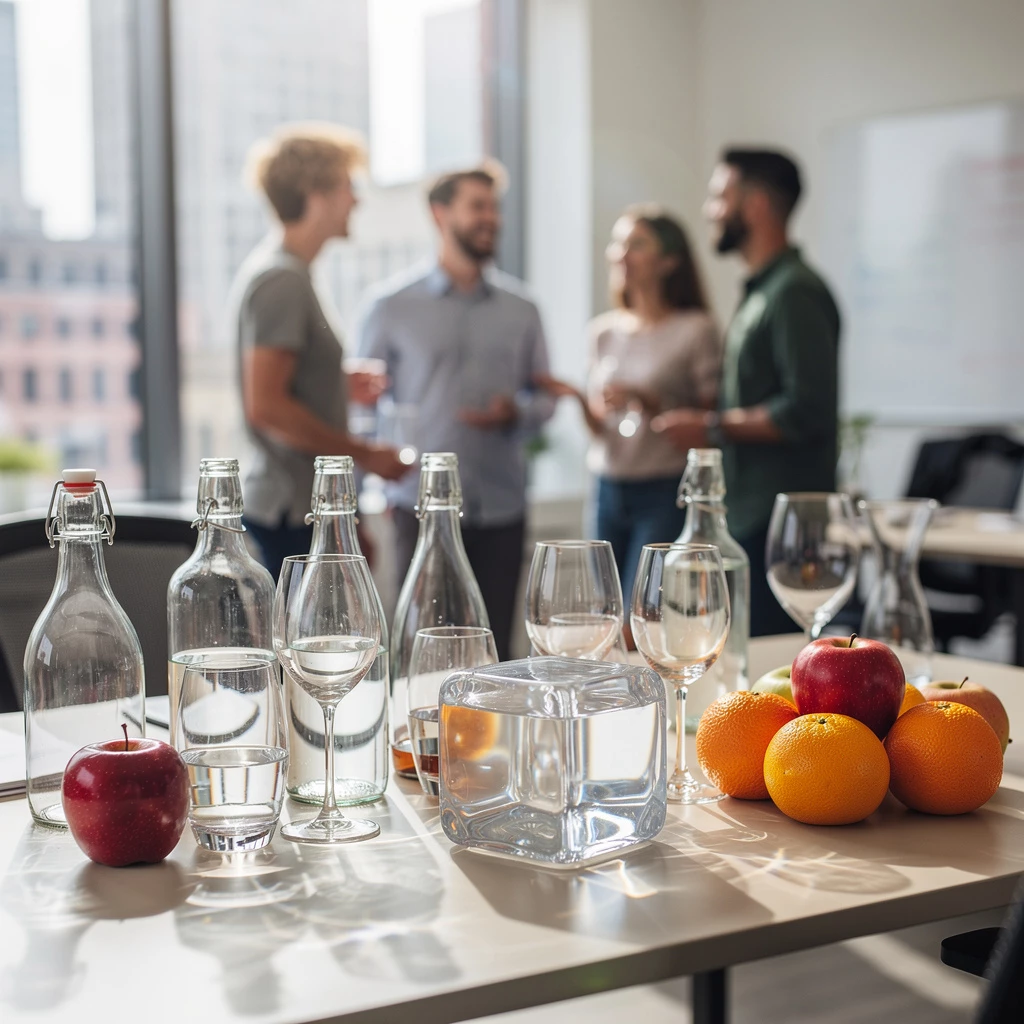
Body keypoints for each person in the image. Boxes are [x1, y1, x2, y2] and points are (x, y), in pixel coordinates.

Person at [357, 162, 555, 660]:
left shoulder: (523, 309)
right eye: (477, 206)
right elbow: (362, 410)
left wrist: (516, 413)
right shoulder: (389, 306)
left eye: (495, 207)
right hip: (418, 509)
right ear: (439, 213)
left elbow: (546, 397)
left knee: (495, 654)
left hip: (502, 508)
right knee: (419, 651)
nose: (492, 218)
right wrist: (355, 502)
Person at [652, 148, 840, 636]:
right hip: (752, 516)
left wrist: (711, 426)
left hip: (779, 527)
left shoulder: (794, 292)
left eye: (720, 196)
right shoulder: (763, 291)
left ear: (754, 205)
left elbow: (806, 409)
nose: (710, 210)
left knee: (773, 661)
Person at [229, 122, 409, 579]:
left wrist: (334, 383)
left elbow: (281, 385)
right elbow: (267, 406)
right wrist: (365, 454)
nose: (356, 200)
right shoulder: (282, 279)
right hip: (293, 510)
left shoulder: (291, 273)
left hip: (302, 506)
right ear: (317, 195)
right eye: (348, 186)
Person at [537, 205, 719, 606]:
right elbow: (601, 427)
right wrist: (577, 399)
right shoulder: (602, 332)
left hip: (664, 489)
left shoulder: (695, 330)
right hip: (606, 487)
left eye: (637, 244)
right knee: (604, 610)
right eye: (618, 243)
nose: (621, 254)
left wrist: (651, 402)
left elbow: (709, 423)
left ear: (669, 261)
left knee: (644, 611)